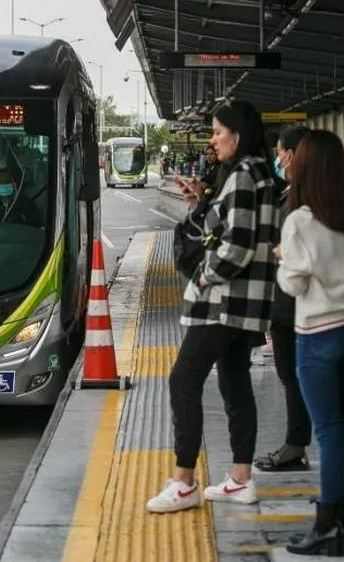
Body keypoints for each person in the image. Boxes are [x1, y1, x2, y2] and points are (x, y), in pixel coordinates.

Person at [147, 100, 280, 514]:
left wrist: (205, 276)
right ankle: (241, 479)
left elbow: (236, 246)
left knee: (183, 380)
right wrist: (201, 202)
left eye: (218, 132)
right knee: (234, 382)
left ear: (237, 135)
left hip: (223, 302)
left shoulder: (241, 175)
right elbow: (233, 230)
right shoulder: (260, 174)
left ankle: (183, 480)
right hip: (247, 304)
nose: (213, 139)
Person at [276, 129, 344, 556]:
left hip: (316, 337)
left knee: (331, 431)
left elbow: (293, 283)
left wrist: (284, 259)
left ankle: (328, 525)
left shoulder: (300, 221)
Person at [254, 126, 312, 472]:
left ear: (291, 154)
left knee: (293, 376)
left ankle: (295, 444)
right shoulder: (298, 192)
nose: (277, 158)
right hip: (292, 305)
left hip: (293, 305)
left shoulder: (302, 199)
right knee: (293, 376)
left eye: (280, 152)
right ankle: (296, 441)